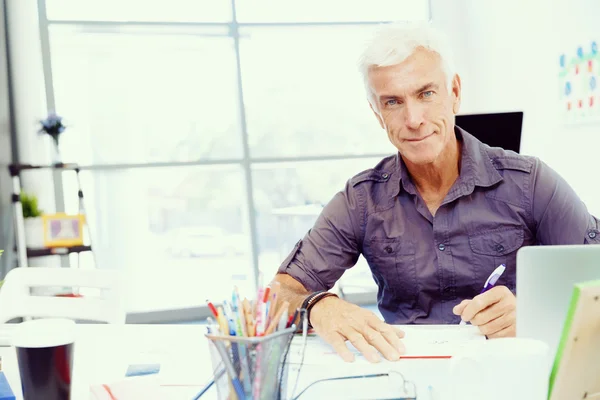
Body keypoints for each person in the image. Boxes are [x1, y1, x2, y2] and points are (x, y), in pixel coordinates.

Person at [271, 22, 600, 363]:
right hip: (410, 380)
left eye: (426, 93)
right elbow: (279, 295)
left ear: (454, 92)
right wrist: (318, 306)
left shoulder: (530, 182)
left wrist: (535, 312)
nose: (413, 119)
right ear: (377, 113)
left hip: (515, 372)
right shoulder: (361, 200)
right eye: (393, 102)